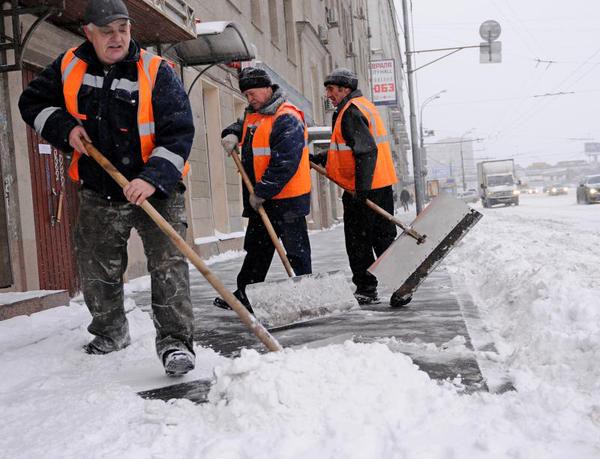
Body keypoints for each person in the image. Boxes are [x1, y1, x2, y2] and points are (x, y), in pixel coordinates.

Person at [18, 0, 196, 376]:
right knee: (96, 265)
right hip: (100, 186)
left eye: (123, 29)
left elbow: (179, 132)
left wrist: (149, 179)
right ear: (89, 33)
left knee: (168, 264)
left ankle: (176, 343)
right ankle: (110, 332)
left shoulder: (156, 71)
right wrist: (65, 128)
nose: (117, 38)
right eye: (107, 30)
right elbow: (32, 101)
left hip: (158, 189)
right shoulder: (69, 66)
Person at [213, 67, 312, 311]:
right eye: (246, 95)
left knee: (296, 251)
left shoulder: (286, 117)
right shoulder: (254, 115)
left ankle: (307, 292)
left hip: (287, 198)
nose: (250, 99)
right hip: (263, 198)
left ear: (268, 89)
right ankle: (245, 293)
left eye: (252, 93)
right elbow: (242, 125)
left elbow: (284, 163)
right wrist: (231, 133)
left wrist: (262, 191)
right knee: (257, 249)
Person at [314, 68, 412, 307]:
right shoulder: (362, 106)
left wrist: (361, 189)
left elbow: (366, 151)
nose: (328, 94)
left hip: (365, 188)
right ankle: (402, 283)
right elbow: (350, 150)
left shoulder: (350, 112)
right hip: (379, 185)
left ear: (344, 89)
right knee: (382, 239)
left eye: (331, 89)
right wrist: (323, 157)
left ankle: (367, 289)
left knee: (359, 241)